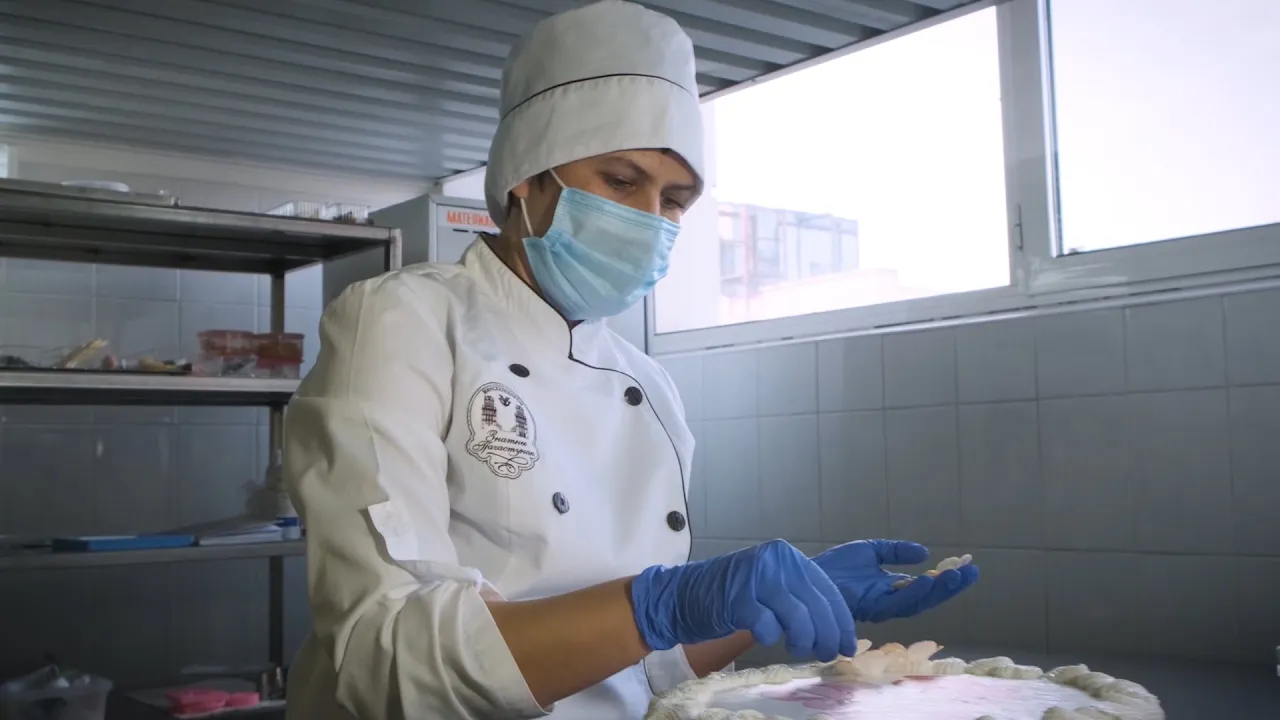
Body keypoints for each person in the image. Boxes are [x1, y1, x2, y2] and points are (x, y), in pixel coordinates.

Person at [282, 2, 978, 719]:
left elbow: (650, 667)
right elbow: (384, 660)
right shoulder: (404, 322)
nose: (648, 218)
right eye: (620, 181)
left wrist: (765, 600)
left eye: (673, 200)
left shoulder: (648, 385)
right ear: (527, 176)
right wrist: (661, 602)